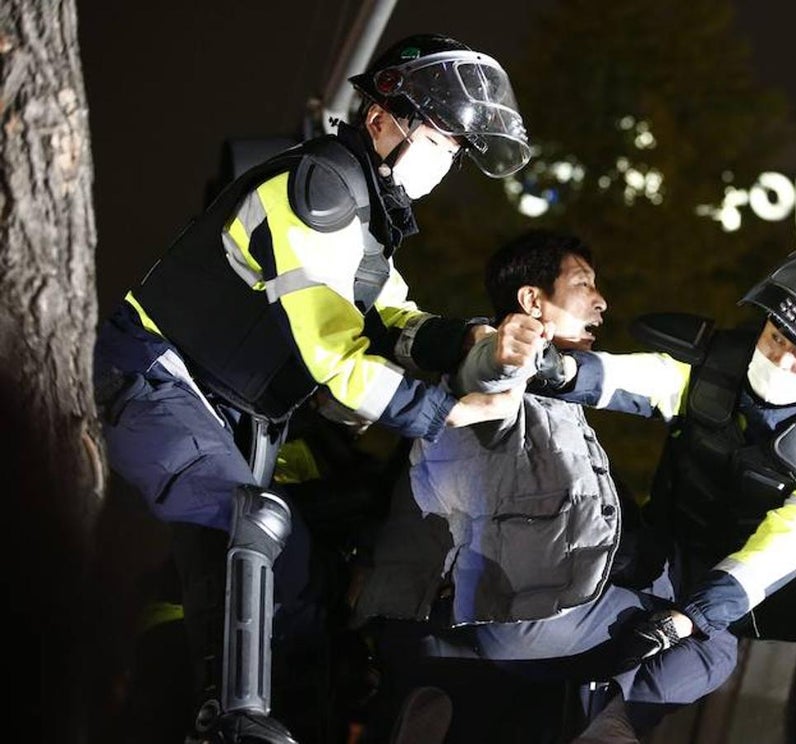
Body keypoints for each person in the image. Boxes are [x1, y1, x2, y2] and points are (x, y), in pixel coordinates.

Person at [93, 33, 530, 743]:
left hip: (225, 406)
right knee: (248, 523)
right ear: (383, 116)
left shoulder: (365, 212)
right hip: (153, 379)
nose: (446, 160)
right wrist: (449, 412)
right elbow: (338, 356)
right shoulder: (319, 190)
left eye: (457, 150)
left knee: (293, 570)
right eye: (442, 139)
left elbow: (393, 317)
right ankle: (228, 721)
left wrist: (476, 342)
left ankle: (296, 719)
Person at [357, 230, 796, 741]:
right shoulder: (505, 366)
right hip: (515, 607)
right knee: (708, 650)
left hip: (534, 607)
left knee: (660, 652)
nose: (781, 358)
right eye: (776, 337)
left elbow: (784, 546)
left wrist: (697, 612)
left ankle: (465, 687)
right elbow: (620, 378)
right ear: (531, 301)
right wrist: (522, 359)